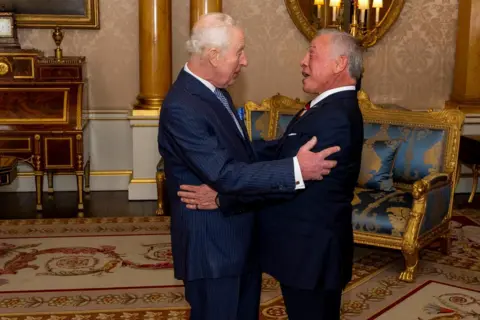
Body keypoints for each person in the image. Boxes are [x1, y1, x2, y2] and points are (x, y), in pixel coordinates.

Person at [157, 13, 341, 320]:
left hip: (238, 240)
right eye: (239, 52)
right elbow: (226, 173)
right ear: (213, 56)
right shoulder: (182, 106)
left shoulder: (215, 92)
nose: (244, 62)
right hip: (213, 248)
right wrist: (295, 169)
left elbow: (239, 152)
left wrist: (288, 144)